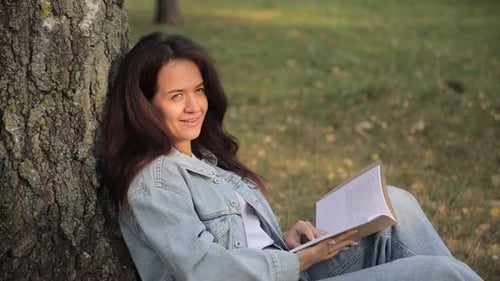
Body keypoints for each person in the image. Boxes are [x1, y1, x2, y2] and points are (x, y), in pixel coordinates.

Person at [102, 32, 482, 281]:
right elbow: (204, 269)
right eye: (175, 96)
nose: (194, 106)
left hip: (291, 269)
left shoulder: (204, 158)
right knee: (438, 273)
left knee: (395, 204)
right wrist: (300, 259)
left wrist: (285, 242)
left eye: (198, 90)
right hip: (291, 273)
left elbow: (234, 243)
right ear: (144, 105)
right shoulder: (155, 181)